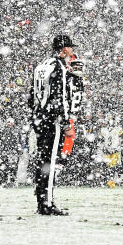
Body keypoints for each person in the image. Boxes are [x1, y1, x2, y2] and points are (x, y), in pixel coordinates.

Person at [29, 34, 74, 215]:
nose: (71, 51)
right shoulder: (59, 66)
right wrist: (65, 122)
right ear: (63, 49)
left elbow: (32, 94)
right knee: (50, 161)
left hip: (39, 117)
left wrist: (35, 115)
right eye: (70, 48)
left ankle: (41, 199)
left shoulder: (42, 65)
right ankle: (47, 202)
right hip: (51, 120)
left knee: (42, 160)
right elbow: (59, 97)